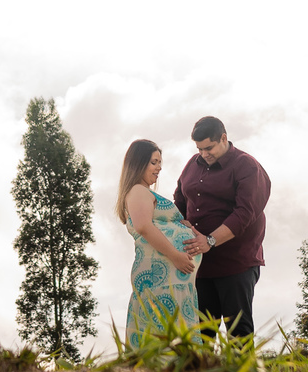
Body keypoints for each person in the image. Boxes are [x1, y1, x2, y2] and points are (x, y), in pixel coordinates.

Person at [175, 116, 271, 338]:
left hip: (235, 264)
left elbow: (244, 213)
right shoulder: (192, 164)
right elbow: (180, 201)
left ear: (224, 138)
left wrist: (209, 241)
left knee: (239, 332)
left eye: (209, 148)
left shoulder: (247, 166)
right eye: (199, 149)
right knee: (201, 334)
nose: (203, 154)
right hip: (200, 265)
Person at [116, 139, 201, 347]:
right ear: (139, 163)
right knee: (161, 336)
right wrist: (176, 256)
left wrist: (184, 226)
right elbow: (144, 226)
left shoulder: (145, 192)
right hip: (159, 275)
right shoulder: (138, 190)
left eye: (159, 163)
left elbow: (154, 222)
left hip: (172, 279)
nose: (159, 168)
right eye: (154, 162)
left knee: (173, 334)